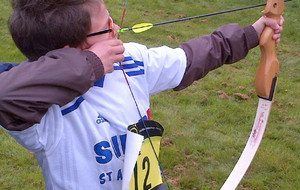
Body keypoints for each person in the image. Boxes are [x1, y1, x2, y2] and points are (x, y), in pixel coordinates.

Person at [0, 0, 284, 189]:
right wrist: (91, 64)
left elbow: (190, 57)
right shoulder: (42, 111)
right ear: (71, 52)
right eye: (106, 25)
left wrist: (251, 33)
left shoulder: (131, 61)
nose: (115, 27)